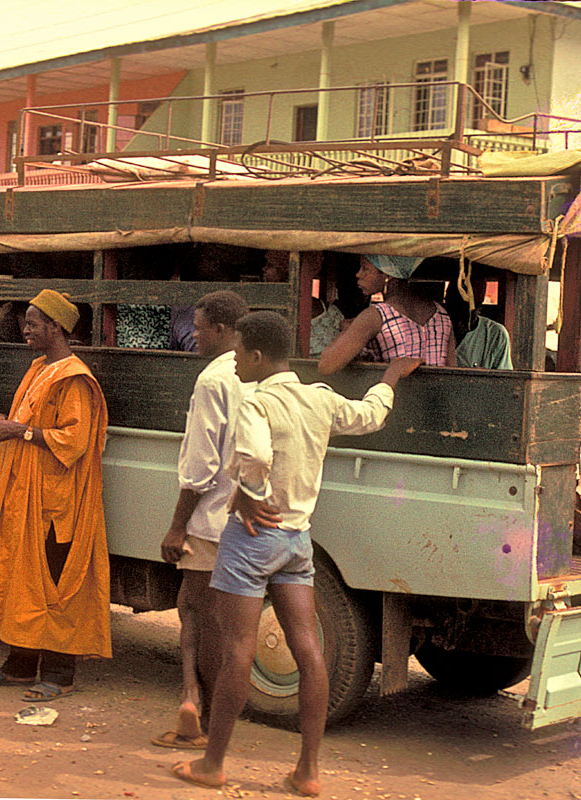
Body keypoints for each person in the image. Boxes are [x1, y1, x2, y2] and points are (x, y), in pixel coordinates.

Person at [171, 311, 422, 797]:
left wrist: (248, 490)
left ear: (258, 356)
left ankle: (213, 764)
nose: (235, 361)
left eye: (240, 352)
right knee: (308, 650)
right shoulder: (318, 399)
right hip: (296, 541)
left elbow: (256, 457)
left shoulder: (256, 403)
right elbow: (369, 416)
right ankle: (307, 771)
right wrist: (389, 377)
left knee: (236, 651)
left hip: (251, 538)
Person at [0, 289, 110, 700]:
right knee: (22, 578)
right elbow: (27, 421)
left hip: (57, 501)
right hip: (25, 495)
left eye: (32, 322)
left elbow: (76, 439)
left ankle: (59, 674)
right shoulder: (38, 369)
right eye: (25, 321)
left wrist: (22, 432)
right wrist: (4, 424)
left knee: (54, 585)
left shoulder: (74, 378)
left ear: (56, 327)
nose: (24, 328)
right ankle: (19, 667)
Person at [153, 290, 250, 751]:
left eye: (201, 326)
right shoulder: (256, 373)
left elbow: (199, 467)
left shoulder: (213, 380)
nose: (195, 334)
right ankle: (197, 702)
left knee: (198, 611)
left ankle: (198, 709)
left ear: (222, 330)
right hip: (250, 515)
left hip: (212, 518)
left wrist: (177, 527)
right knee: (221, 617)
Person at [318, 254, 455, 374]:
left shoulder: (376, 315)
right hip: (437, 400)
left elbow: (326, 366)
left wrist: (347, 330)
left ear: (387, 275)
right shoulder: (441, 314)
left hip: (395, 398)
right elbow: (451, 367)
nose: (358, 274)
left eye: (366, 268)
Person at [444, 270, 513, 370]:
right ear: (447, 304)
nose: (459, 321)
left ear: (479, 309)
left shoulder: (496, 335)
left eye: (467, 312)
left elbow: (503, 380)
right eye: (455, 309)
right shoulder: (436, 328)